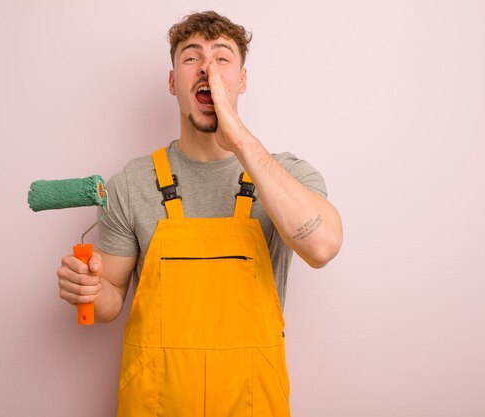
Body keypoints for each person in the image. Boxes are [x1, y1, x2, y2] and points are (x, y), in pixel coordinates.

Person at [57, 10, 343, 416]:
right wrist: (90, 290)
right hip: (155, 403)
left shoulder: (287, 176)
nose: (207, 68)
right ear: (174, 82)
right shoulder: (132, 182)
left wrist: (239, 137)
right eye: (192, 58)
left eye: (222, 58)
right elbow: (110, 301)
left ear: (241, 81)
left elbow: (323, 246)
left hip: (251, 400)